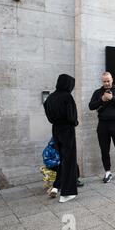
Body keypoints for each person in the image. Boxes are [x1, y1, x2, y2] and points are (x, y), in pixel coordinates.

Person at [43, 74, 79, 203]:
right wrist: (74, 122)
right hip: (67, 130)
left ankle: (57, 186)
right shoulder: (67, 97)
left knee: (62, 159)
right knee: (69, 160)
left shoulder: (50, 98)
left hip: (56, 130)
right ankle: (67, 193)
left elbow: (48, 116)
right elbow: (72, 117)